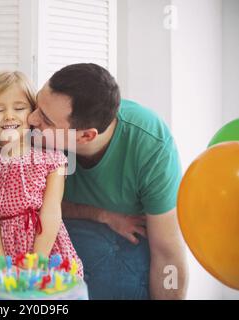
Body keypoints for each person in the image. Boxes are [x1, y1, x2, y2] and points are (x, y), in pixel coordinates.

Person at [28, 63, 188, 299]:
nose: (31, 119)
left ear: (86, 136)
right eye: (36, 104)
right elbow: (29, 207)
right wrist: (102, 215)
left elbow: (168, 253)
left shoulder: (151, 146)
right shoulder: (27, 133)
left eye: (46, 120)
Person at [0, 71, 83, 276]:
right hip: (4, 253)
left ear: (33, 112)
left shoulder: (51, 158)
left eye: (20, 108)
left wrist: (37, 262)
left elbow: (51, 212)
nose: (9, 116)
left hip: (46, 250)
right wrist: (1, 264)